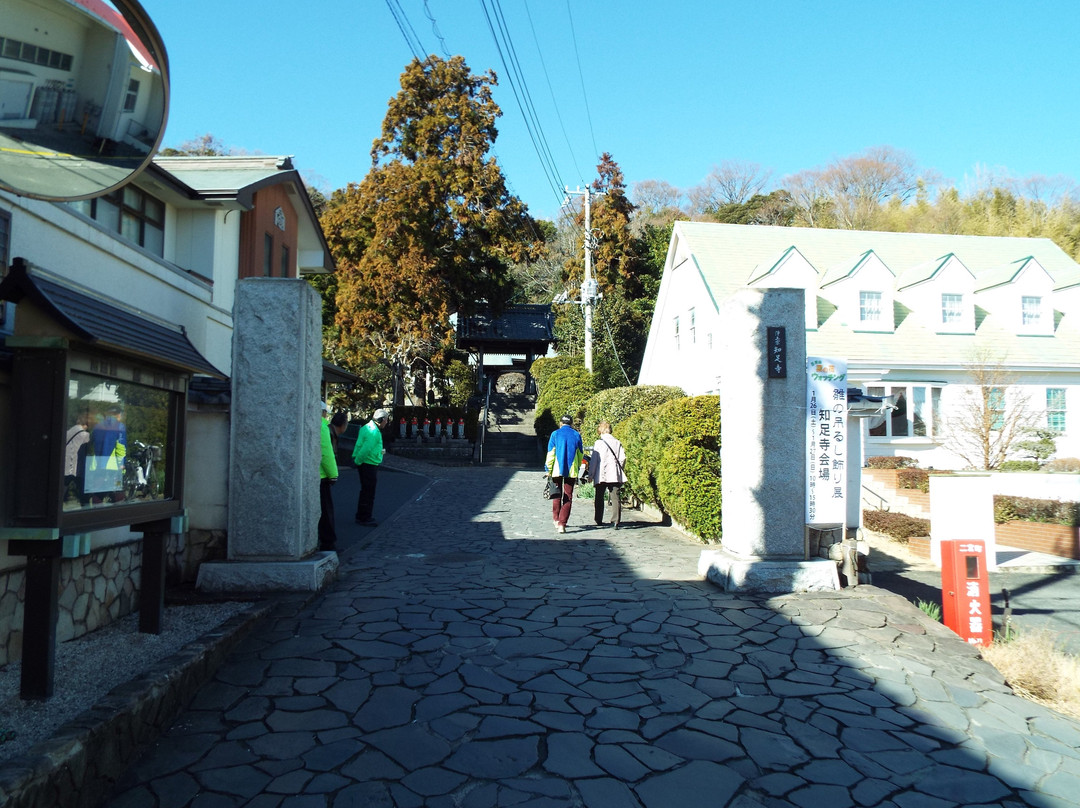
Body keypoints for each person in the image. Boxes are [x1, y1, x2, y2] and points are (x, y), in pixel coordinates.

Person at [546, 414, 583, 534]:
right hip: (571, 470)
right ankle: (562, 523)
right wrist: (577, 467)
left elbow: (551, 453)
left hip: (557, 469)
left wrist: (548, 469)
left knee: (556, 494)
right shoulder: (576, 435)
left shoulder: (555, 434)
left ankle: (556, 520)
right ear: (571, 424)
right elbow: (580, 453)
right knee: (568, 496)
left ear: (560, 423)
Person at [353, 408, 390, 526]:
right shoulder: (374, 432)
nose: (387, 423)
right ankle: (365, 517)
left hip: (366, 463)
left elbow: (363, 446)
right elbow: (366, 449)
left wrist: (381, 452)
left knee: (365, 491)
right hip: (369, 464)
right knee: (369, 492)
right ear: (382, 420)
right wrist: (358, 461)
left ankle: (361, 515)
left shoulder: (366, 427)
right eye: (386, 420)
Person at [591, 421, 627, 529]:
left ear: (600, 430)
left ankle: (598, 519)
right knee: (615, 497)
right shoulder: (617, 442)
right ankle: (616, 520)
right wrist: (618, 468)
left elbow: (594, 461)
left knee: (599, 497)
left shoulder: (599, 443)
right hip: (614, 474)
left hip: (601, 474)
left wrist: (591, 475)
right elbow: (623, 458)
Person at [318, 402, 340, 551]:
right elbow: (326, 453)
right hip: (322, 474)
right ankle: (328, 543)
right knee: (326, 511)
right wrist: (333, 474)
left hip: (313, 473)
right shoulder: (322, 426)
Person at [64, 409, 91, 506]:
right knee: (81, 488)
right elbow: (86, 452)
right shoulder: (84, 435)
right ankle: (85, 507)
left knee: (64, 485)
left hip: (65, 464)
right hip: (75, 466)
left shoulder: (69, 431)